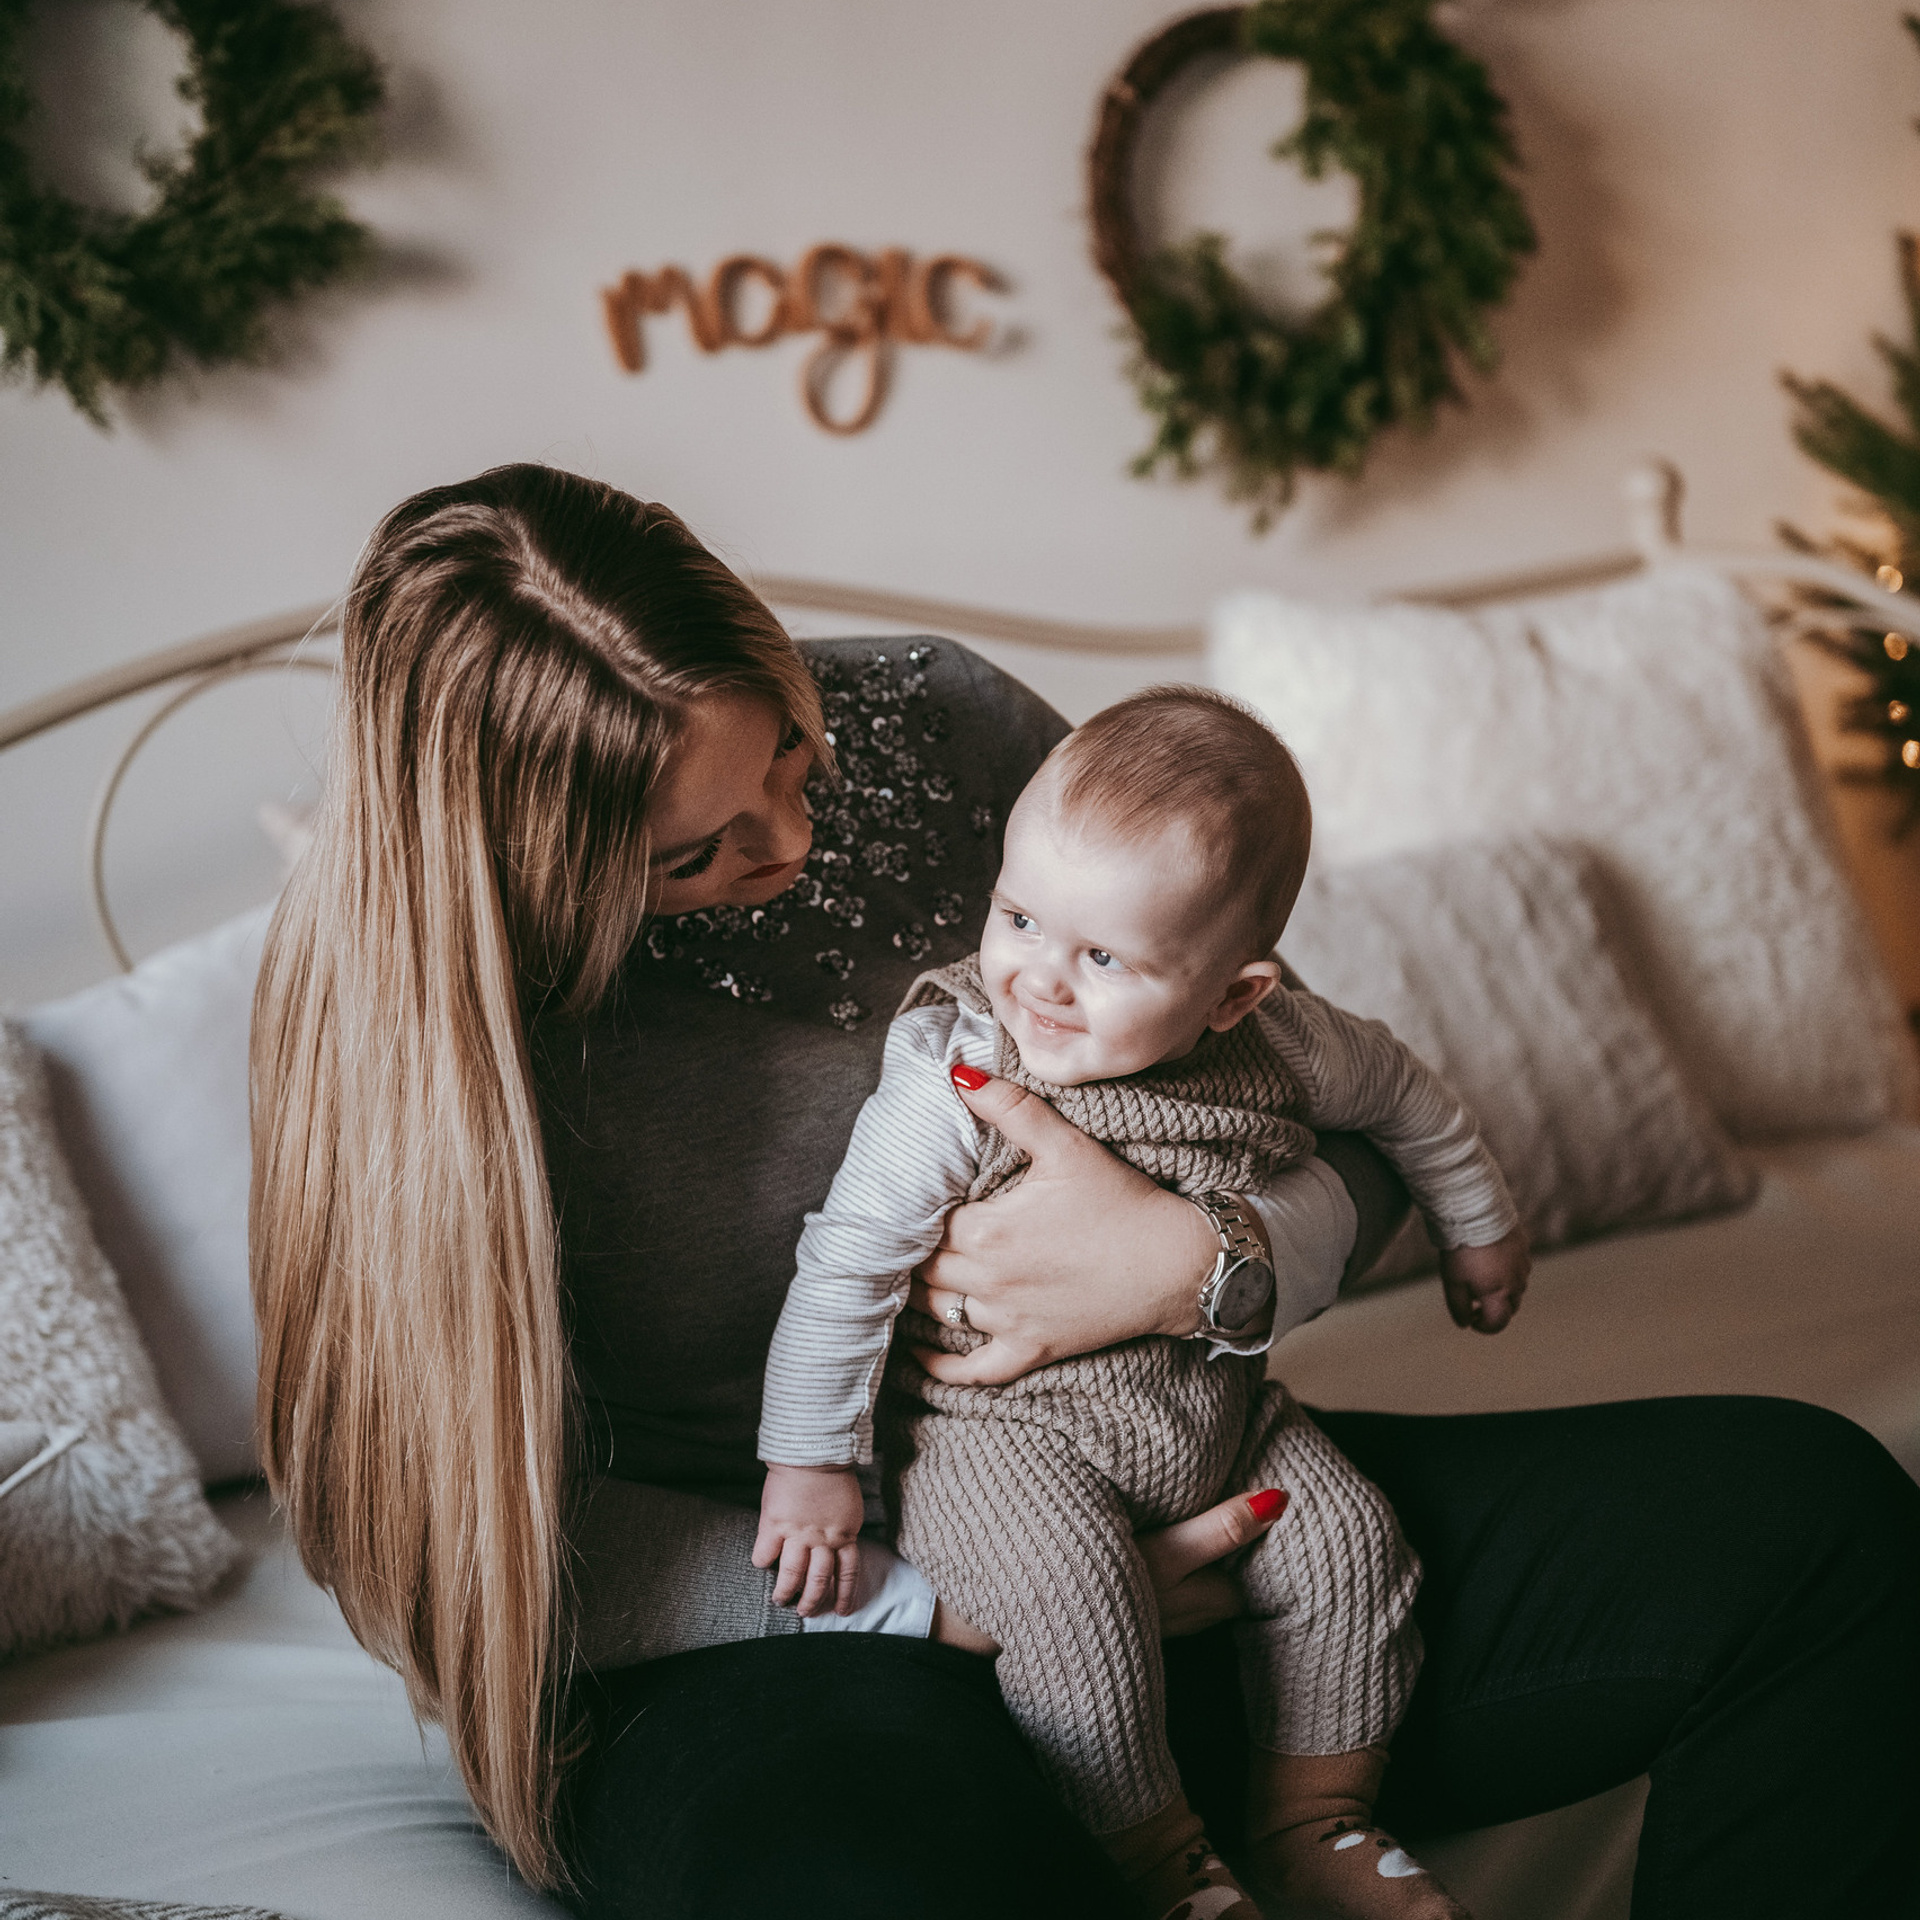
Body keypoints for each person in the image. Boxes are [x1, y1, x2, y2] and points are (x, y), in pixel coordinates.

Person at [250, 463, 1920, 1920]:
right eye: (695, 854)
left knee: (1811, 1518)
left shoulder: (945, 721)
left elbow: (1312, 1091)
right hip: (780, 1652)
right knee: (885, 1891)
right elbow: (418, 1541)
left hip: (1176, 1492)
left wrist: (1208, 1262)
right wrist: (941, 1610)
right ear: (532, 863)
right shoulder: (400, 1016)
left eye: (796, 761)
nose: (792, 846)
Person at [753, 687, 1527, 1920]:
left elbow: (1407, 1100)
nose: (1041, 981)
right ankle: (1159, 1857)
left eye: (1104, 959)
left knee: (1353, 1547)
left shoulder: (1290, 1043)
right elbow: (848, 1263)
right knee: (1072, 1602)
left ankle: (1315, 1818)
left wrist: (1476, 1223)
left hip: (1214, 1413)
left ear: (1235, 995)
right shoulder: (958, 1072)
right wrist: (809, 1463)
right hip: (1001, 1437)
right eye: (1018, 918)